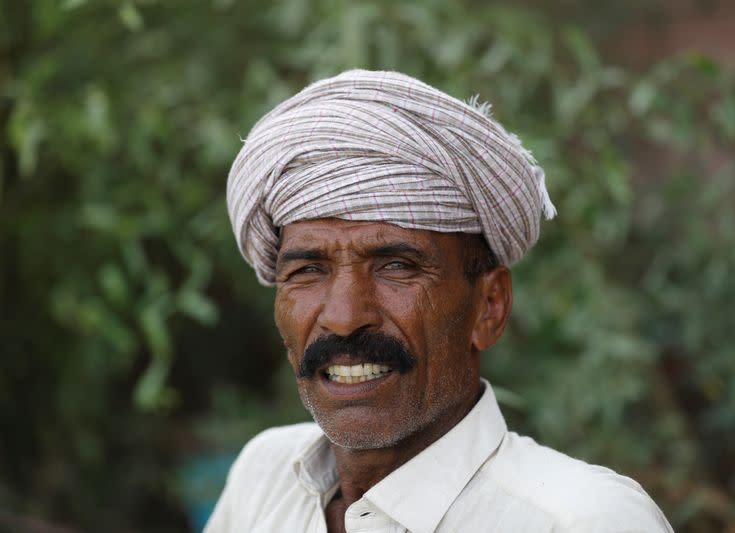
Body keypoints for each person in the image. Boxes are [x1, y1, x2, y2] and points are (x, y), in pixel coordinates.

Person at [206, 70, 673, 533]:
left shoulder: (581, 522)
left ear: (489, 306)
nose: (344, 319)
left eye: (396, 267)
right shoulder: (265, 479)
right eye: (307, 271)